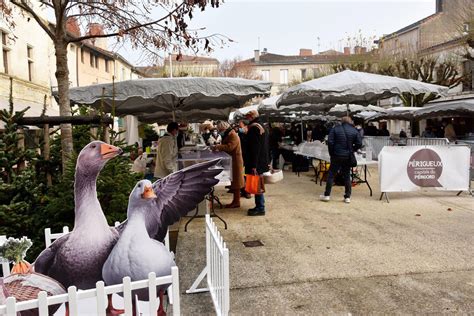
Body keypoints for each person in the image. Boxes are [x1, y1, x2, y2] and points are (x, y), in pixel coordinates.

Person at [320, 116, 362, 204]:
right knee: (347, 175)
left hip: (336, 155)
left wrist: (332, 153)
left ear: (341, 122)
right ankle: (347, 197)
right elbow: (359, 143)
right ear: (350, 122)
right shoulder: (354, 130)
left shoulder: (335, 129)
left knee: (331, 174)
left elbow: (330, 142)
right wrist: (352, 149)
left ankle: (327, 195)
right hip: (348, 156)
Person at [213, 121, 245, 208]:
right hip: (232, 161)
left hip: (236, 161)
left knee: (236, 183)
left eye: (220, 130)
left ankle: (236, 202)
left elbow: (230, 147)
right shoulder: (229, 134)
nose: (220, 131)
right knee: (234, 182)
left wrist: (218, 147)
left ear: (224, 128)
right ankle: (235, 201)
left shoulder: (233, 135)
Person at [244, 110, 269, 216]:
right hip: (261, 160)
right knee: (258, 183)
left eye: (248, 116)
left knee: (257, 184)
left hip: (256, 161)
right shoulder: (261, 126)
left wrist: (254, 165)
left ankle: (260, 207)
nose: (247, 119)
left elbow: (255, 147)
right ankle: (259, 205)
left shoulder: (254, 128)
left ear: (251, 116)